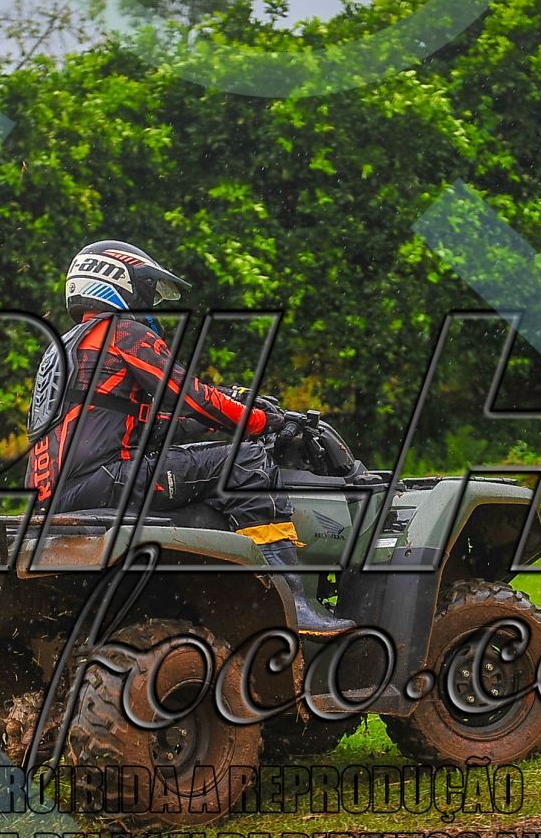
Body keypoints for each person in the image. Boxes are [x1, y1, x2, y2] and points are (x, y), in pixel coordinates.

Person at [25, 239, 354, 636]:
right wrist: (259, 421)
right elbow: (190, 396)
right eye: (147, 291)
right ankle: (295, 604)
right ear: (118, 281)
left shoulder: (68, 346)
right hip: (102, 480)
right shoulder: (122, 332)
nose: (150, 304)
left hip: (58, 493)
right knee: (246, 459)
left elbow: (153, 421)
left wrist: (221, 412)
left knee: (208, 457)